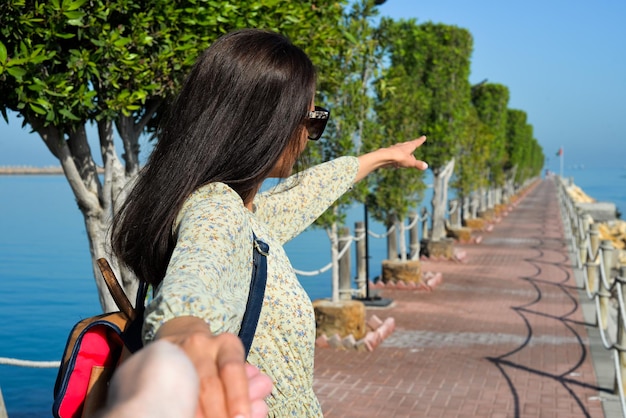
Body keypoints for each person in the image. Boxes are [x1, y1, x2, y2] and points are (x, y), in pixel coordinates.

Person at [111, 28, 428, 417]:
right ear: (269, 122)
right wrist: (183, 344)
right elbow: (193, 283)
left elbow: (300, 195)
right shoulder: (217, 209)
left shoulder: (248, 215)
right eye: (312, 120)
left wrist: (380, 157)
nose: (311, 136)